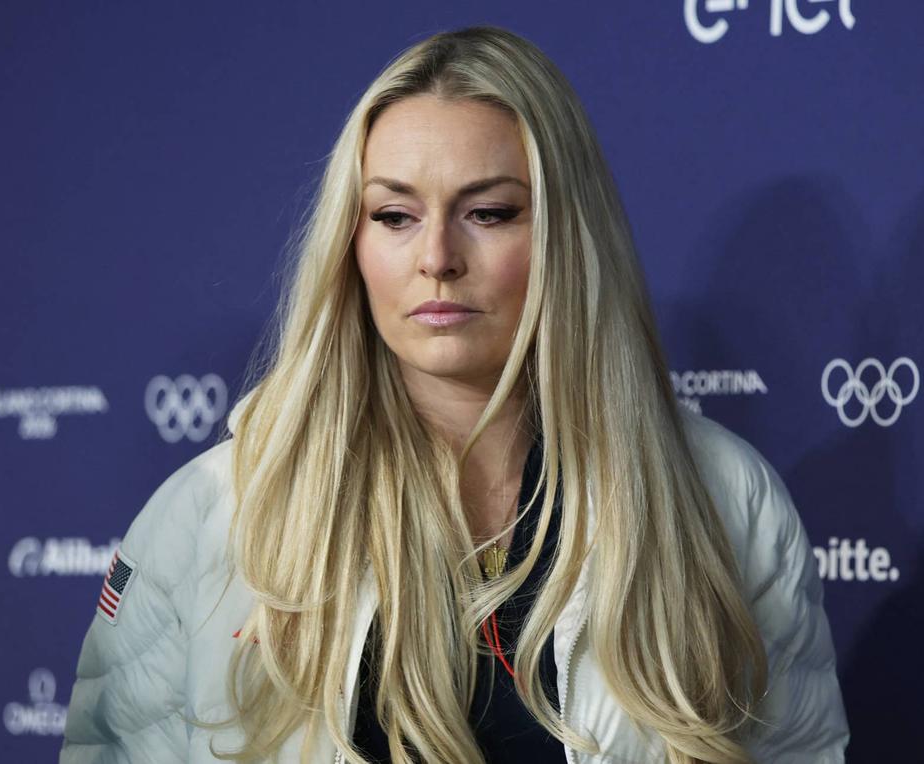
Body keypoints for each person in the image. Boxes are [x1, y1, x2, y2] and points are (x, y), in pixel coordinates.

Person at [60, 24, 849, 764]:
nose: (437, 256)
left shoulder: (723, 500)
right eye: (395, 215)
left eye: (489, 212)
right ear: (351, 243)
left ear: (565, 237)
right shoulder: (213, 514)